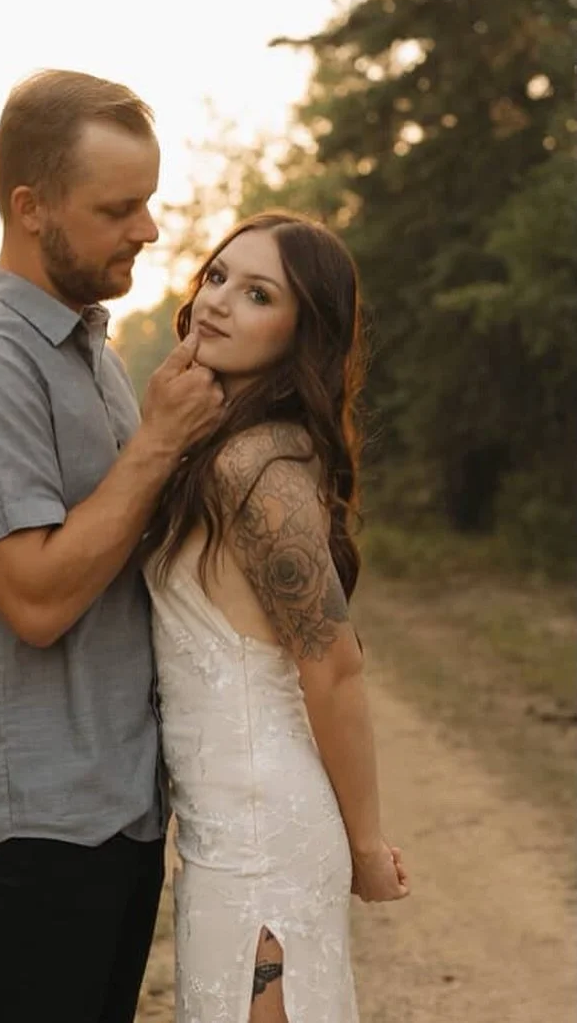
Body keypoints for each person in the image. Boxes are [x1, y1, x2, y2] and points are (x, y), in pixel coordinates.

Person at [0, 69, 224, 1023]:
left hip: (114, 799)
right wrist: (159, 441)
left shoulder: (87, 351)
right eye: (118, 208)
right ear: (29, 207)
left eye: (149, 202)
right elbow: (35, 600)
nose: (149, 229)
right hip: (39, 815)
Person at [140, 210, 410, 1023]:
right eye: (217, 277)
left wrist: (366, 848)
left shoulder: (257, 467)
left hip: (263, 844)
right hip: (222, 836)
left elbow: (333, 667)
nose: (220, 302)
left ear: (303, 335)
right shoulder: (217, 450)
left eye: (257, 294)